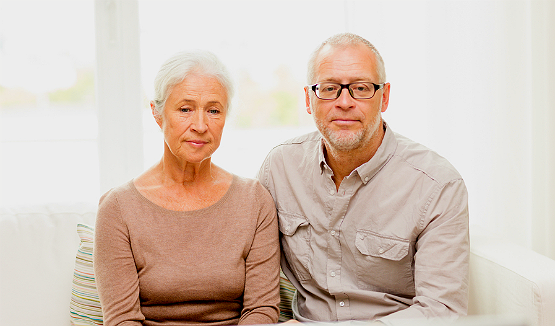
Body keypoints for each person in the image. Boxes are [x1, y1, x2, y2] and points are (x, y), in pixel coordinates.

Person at [257, 33, 469, 324]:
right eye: (329, 88)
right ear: (308, 99)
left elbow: (441, 311)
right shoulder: (280, 168)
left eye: (361, 88)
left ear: (385, 97)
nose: (345, 102)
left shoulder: (437, 185)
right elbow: (252, 272)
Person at [94, 50, 280, 326]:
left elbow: (261, 311)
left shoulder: (254, 201)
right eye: (185, 109)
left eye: (214, 110)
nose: (201, 125)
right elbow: (122, 320)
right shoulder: (118, 208)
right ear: (158, 115)